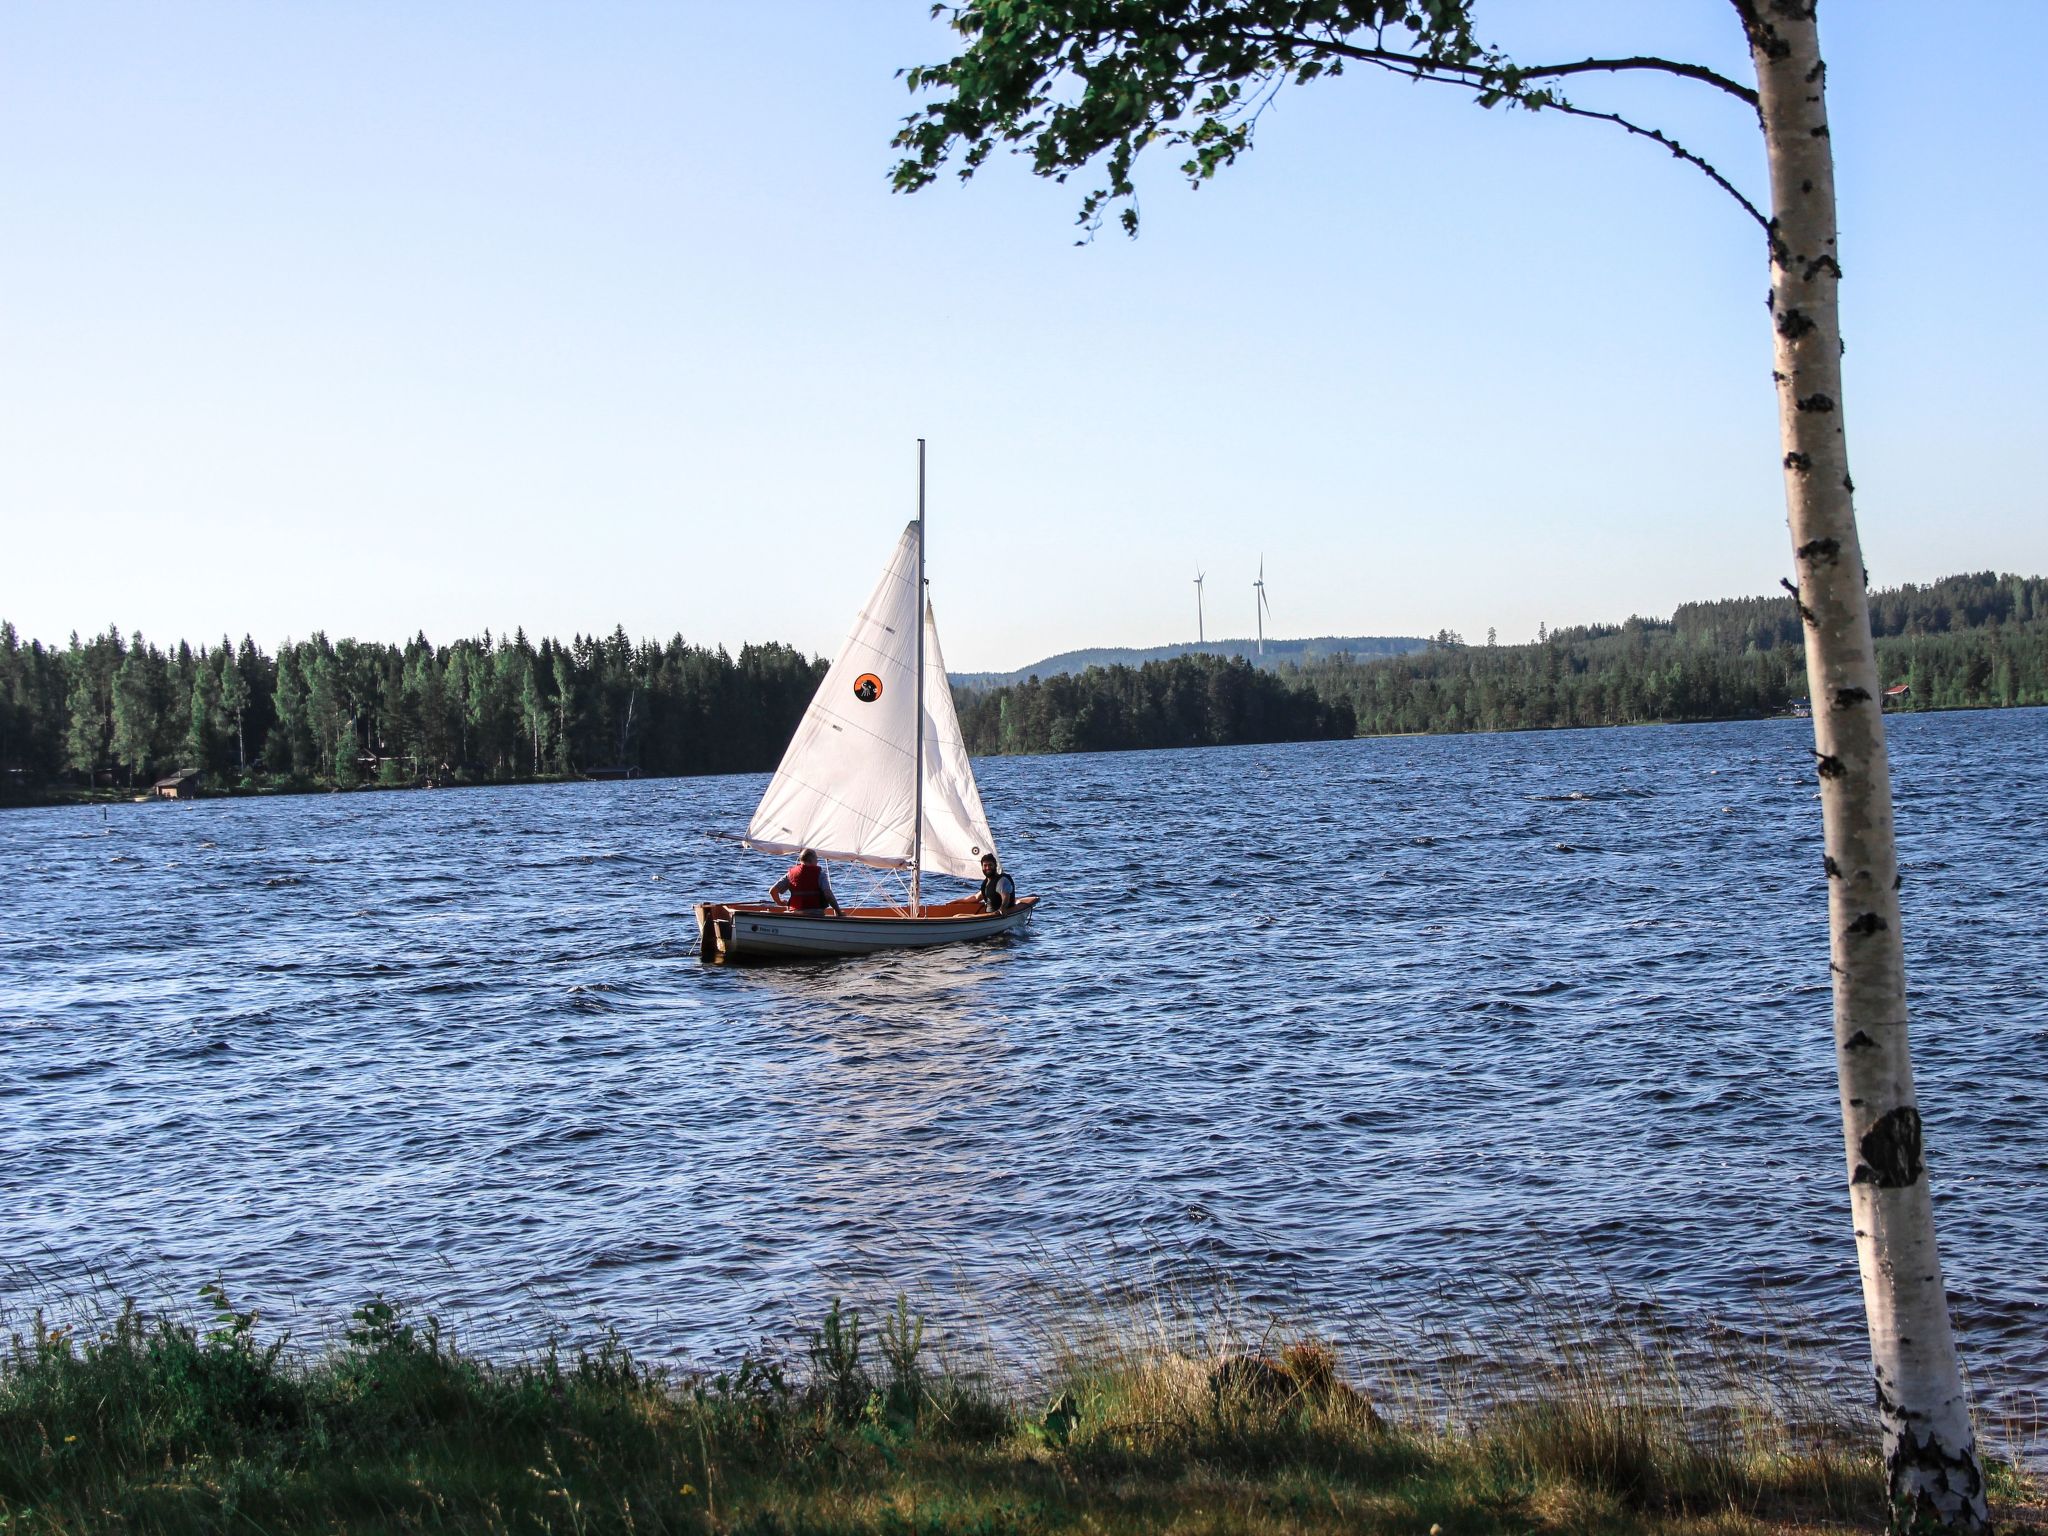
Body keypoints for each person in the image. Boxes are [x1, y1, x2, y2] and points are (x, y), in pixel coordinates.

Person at [771, 849, 843, 916]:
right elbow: (828, 895)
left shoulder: (790, 874)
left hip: (795, 913)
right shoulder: (820, 874)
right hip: (815, 913)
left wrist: (780, 903)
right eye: (816, 859)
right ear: (811, 859)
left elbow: (773, 891)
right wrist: (839, 912)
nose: (817, 862)